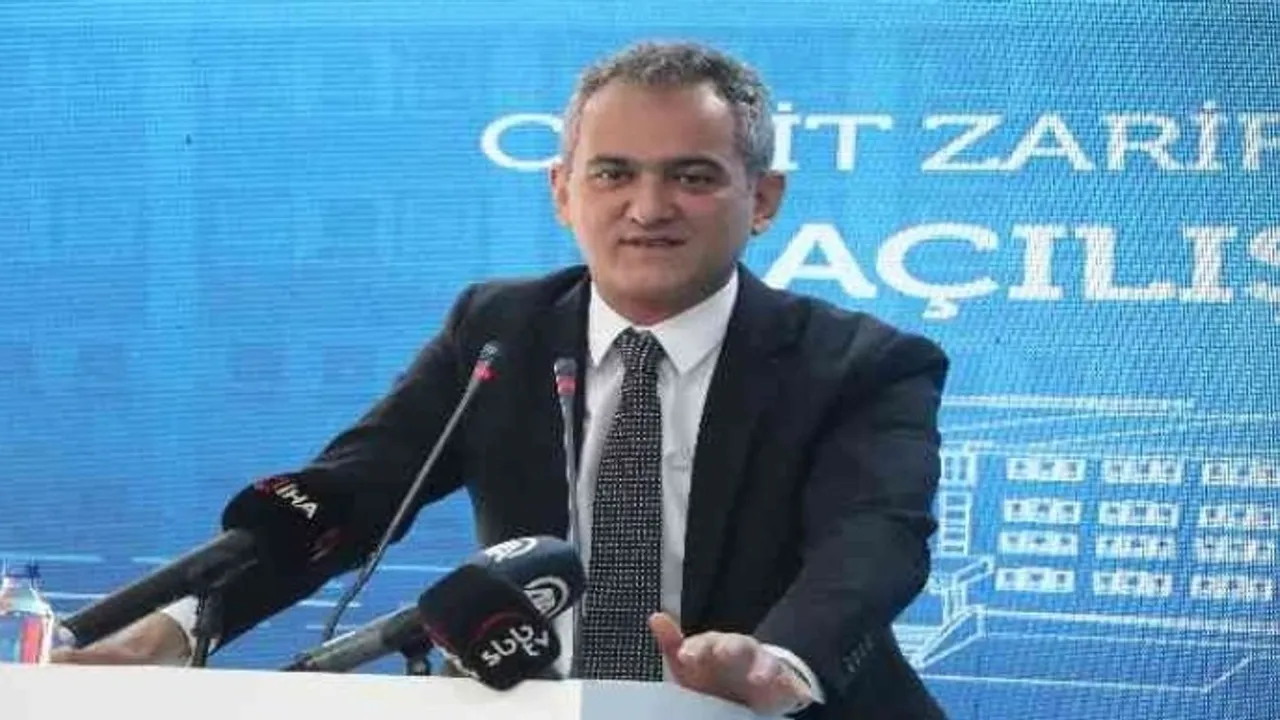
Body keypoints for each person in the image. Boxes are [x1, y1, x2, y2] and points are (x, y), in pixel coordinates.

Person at [54, 40, 950, 719]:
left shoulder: (863, 363)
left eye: (692, 176)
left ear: (764, 200)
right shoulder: (498, 330)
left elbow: (871, 545)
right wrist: (178, 630)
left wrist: (777, 663)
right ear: (563, 191)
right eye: (614, 173)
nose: (647, 208)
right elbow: (349, 499)